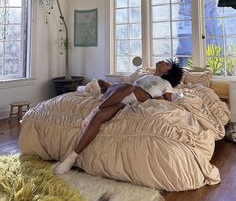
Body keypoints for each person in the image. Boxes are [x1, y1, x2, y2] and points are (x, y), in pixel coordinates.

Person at [53, 60, 183, 174]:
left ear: (167, 73)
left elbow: (169, 101)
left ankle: (71, 158)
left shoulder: (166, 84)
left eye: (167, 64)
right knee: (128, 86)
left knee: (99, 117)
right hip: (121, 91)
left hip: (124, 101)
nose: (162, 61)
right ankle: (95, 101)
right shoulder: (146, 76)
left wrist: (159, 98)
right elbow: (129, 86)